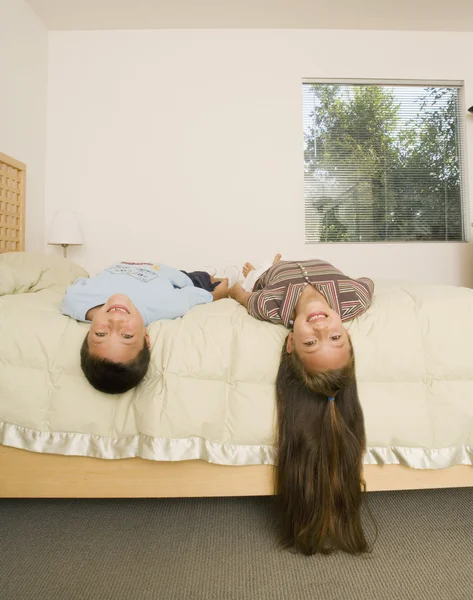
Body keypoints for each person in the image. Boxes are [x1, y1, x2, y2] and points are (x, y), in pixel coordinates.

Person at [230, 255, 374, 555]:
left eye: (310, 343)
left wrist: (241, 287)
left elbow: (239, 294)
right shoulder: (353, 299)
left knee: (255, 275)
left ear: (291, 344)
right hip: (322, 266)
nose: (321, 330)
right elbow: (368, 283)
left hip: (274, 275)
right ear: (346, 332)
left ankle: (262, 266)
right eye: (335, 338)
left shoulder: (269, 305)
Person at [62, 261, 230, 395]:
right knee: (201, 279)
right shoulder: (164, 306)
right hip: (170, 278)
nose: (115, 320)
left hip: (126, 267)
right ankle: (215, 276)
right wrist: (219, 293)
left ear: (89, 332)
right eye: (127, 335)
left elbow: (81, 282)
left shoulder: (74, 301)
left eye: (100, 333)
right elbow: (195, 296)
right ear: (145, 336)